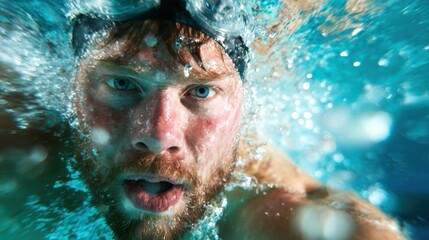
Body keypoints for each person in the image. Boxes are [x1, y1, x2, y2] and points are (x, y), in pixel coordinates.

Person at [72, 1, 405, 239]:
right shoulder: (25, 149)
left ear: (242, 107)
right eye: (122, 83)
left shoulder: (277, 214)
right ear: (72, 91)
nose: (159, 135)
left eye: (201, 91)